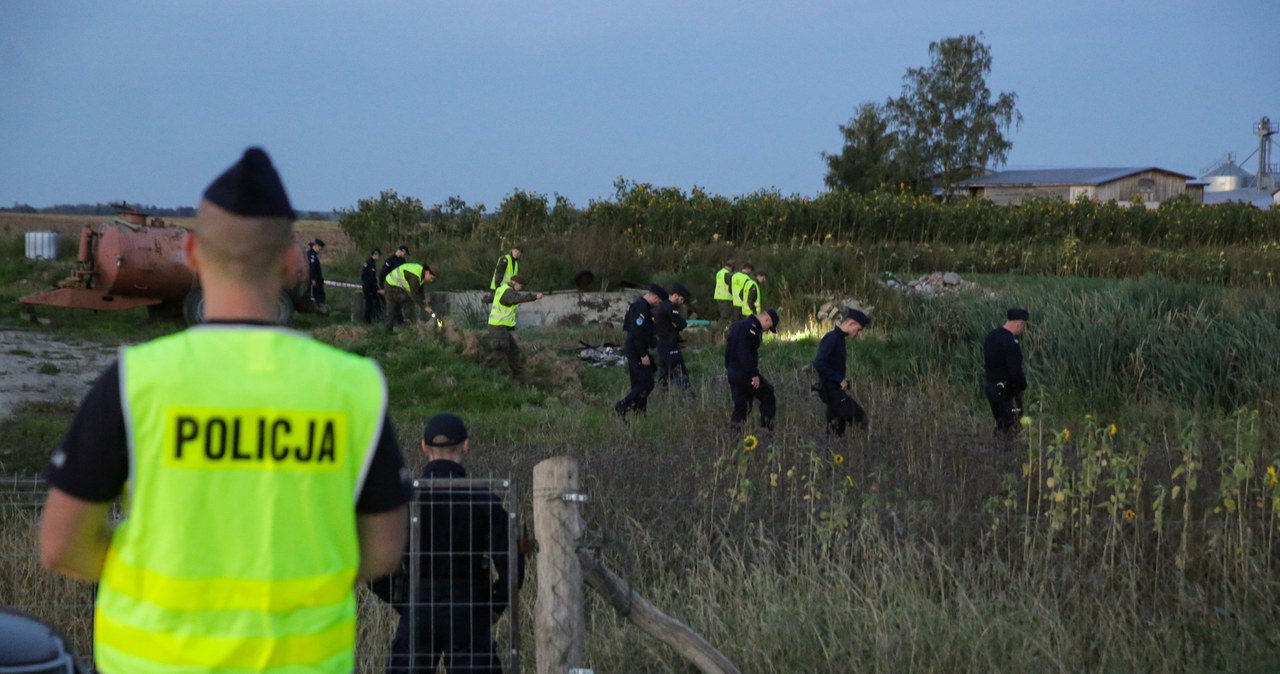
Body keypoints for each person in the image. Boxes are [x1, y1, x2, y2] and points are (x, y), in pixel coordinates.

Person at [37, 147, 410, 674]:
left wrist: (158, 573)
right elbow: (382, 550)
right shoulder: (353, 387)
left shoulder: (137, 380)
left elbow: (61, 546)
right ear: (290, 261)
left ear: (190, 252)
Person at [383, 413, 524, 674]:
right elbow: (513, 565)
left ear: (424, 447)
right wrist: (493, 607)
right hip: (469, 605)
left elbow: (375, 562)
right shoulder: (483, 499)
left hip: (418, 601)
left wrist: (403, 600)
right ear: (466, 446)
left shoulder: (403, 501)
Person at [813, 308, 870, 436]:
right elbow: (819, 363)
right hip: (831, 391)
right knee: (860, 418)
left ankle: (832, 452)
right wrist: (839, 379)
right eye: (858, 329)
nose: (858, 333)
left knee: (835, 429)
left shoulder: (838, 339)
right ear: (851, 324)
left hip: (834, 391)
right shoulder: (833, 338)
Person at [725, 308, 779, 431]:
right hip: (744, 372)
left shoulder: (738, 325)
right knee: (768, 394)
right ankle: (767, 430)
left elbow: (728, 350)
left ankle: (734, 435)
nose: (766, 331)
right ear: (767, 319)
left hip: (733, 371)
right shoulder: (751, 329)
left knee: (741, 405)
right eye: (769, 327)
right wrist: (754, 374)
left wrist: (729, 369)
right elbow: (744, 352)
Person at [614, 284, 664, 416]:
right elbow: (636, 333)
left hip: (636, 348)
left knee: (638, 384)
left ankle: (639, 413)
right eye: (659, 302)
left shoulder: (638, 305)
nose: (658, 305)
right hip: (636, 350)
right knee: (647, 383)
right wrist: (643, 354)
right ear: (654, 297)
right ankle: (622, 405)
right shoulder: (641, 307)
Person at [983, 307, 1030, 437]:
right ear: (1018, 324)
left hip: (990, 387)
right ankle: (1006, 453)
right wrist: (1022, 385)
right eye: (1023, 326)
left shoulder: (991, 336)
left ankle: (999, 449)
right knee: (1011, 425)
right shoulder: (1010, 343)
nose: (1023, 329)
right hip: (1006, 391)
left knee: (1001, 422)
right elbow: (1014, 371)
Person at [486, 274, 542, 380]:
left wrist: (486, 299)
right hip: (498, 326)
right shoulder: (508, 292)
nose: (520, 289)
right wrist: (534, 297)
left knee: (513, 350)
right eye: (520, 286)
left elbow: (491, 297)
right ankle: (485, 370)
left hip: (500, 326)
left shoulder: (501, 289)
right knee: (501, 350)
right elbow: (515, 299)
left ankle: (517, 374)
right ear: (515, 284)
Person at [654, 283, 691, 391]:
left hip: (663, 342)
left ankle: (662, 394)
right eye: (681, 298)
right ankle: (686, 394)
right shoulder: (670, 307)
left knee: (665, 372)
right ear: (676, 295)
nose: (682, 302)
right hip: (669, 343)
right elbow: (681, 324)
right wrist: (678, 324)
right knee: (678, 369)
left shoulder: (663, 305)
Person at [384, 262, 437, 333]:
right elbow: (414, 294)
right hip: (391, 284)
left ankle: (407, 325)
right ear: (427, 272)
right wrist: (424, 306)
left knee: (401, 305)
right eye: (431, 278)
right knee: (401, 304)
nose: (431, 281)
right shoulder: (415, 277)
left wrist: (424, 301)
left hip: (397, 285)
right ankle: (405, 327)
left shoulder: (421, 274)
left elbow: (420, 291)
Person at [361, 247, 383, 323]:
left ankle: (371, 319)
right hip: (369, 288)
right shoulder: (370, 264)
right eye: (379, 255)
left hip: (368, 287)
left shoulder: (369, 262)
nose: (379, 257)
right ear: (375, 255)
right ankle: (369, 320)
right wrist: (376, 289)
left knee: (372, 303)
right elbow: (371, 278)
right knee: (370, 304)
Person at [307, 238, 328, 314]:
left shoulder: (313, 255)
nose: (320, 250)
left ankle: (319, 309)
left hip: (316, 280)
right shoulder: (311, 255)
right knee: (318, 295)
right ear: (316, 246)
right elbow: (312, 268)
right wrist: (313, 279)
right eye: (319, 248)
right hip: (314, 280)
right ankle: (320, 310)